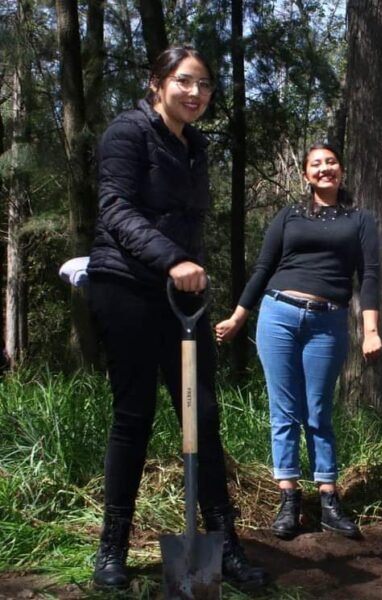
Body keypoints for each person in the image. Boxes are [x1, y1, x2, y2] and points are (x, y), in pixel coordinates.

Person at [87, 46, 267, 590]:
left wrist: (189, 270)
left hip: (181, 297)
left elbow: (186, 222)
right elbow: (115, 209)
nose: (196, 94)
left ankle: (224, 547)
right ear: (157, 83)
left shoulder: (196, 145)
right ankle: (111, 550)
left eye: (205, 86)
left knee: (202, 419)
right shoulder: (127, 133)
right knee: (134, 416)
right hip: (126, 286)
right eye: (186, 82)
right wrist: (173, 260)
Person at [215, 143, 381, 541]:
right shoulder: (289, 216)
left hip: (329, 321)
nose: (325, 169)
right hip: (279, 315)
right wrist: (239, 316)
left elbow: (370, 275)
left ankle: (327, 499)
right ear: (306, 174)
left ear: (341, 170)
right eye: (316, 165)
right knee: (283, 411)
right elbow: (263, 267)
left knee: (319, 411)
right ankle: (289, 498)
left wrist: (371, 329)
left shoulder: (361, 220)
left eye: (331, 163)